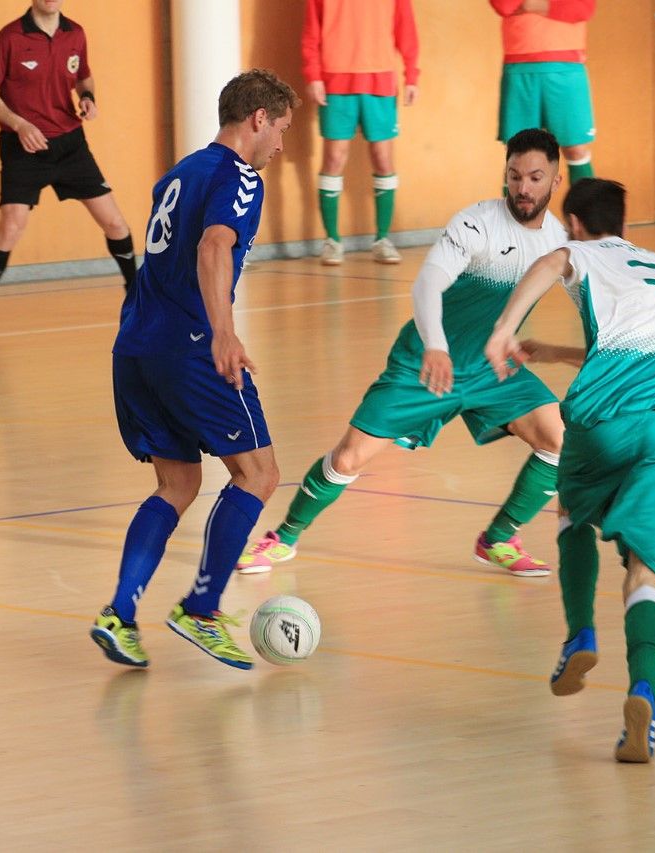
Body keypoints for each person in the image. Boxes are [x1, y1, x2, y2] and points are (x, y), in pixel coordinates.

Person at [236, 128, 568, 578]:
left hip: (492, 369)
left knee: (559, 441)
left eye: (534, 178)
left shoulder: (557, 239)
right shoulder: (476, 223)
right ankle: (284, 538)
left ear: (556, 180)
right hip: (426, 363)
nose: (523, 188)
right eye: (514, 176)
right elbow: (429, 281)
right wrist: (435, 345)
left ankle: (499, 538)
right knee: (350, 456)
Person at [484, 177, 655, 763]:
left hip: (604, 421)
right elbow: (643, 343)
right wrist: (554, 352)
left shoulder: (574, 251)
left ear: (575, 223)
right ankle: (645, 698)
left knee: (572, 512)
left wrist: (504, 329)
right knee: (644, 572)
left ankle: (580, 632)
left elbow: (551, 263)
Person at [88, 69, 299, 670]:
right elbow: (213, 246)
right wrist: (224, 334)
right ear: (258, 117)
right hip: (190, 348)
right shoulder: (240, 176)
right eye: (280, 129)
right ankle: (201, 609)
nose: (280, 145)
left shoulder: (179, 173)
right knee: (259, 474)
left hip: (135, 350)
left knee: (176, 485)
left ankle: (119, 616)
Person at [0, 0, 136, 336]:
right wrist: (18, 124)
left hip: (71, 144)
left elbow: (84, 76)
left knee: (115, 222)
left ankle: (139, 296)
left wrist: (88, 98)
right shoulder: (9, 37)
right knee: (11, 227)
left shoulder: (76, 34)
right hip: (22, 146)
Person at [302, 0, 418, 266]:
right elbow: (311, 33)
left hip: (381, 80)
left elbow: (406, 30)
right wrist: (313, 75)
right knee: (333, 159)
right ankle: (332, 241)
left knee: (383, 159)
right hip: (335, 80)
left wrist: (412, 75)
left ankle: (382, 239)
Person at [490, 0, 596, 184]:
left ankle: (585, 213)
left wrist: (531, 5)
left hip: (567, 67)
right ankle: (512, 214)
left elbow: (582, 8)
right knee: (519, 153)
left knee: (575, 149)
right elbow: (504, 5)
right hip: (519, 68)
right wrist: (552, 6)